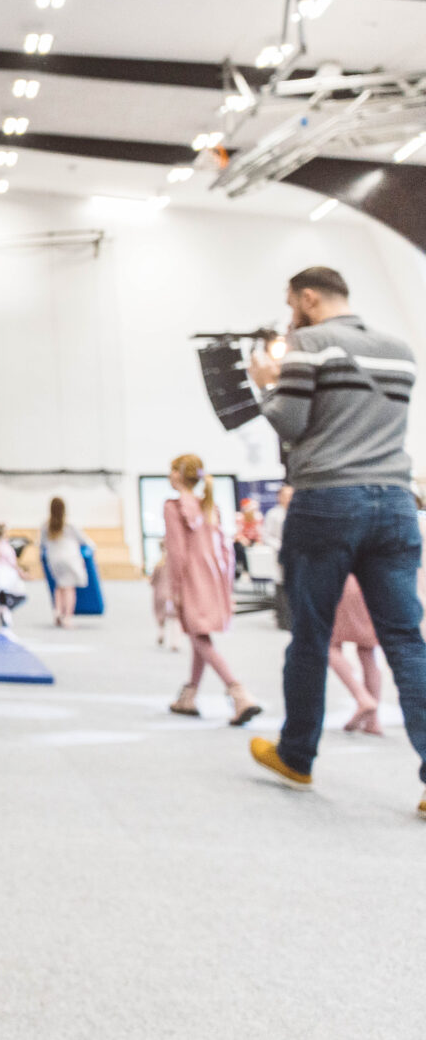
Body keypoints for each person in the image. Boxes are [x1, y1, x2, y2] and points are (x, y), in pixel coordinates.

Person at [247, 266, 426, 810]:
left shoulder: (311, 343)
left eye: (291, 304)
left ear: (308, 298)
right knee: (406, 640)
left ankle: (296, 757)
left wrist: (267, 382)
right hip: (396, 502)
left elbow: (291, 424)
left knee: (310, 635)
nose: (290, 316)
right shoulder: (400, 351)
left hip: (327, 501)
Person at [161, 455, 261, 723]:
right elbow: (226, 551)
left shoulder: (173, 507)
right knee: (200, 635)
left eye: (171, 470)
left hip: (191, 579)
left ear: (178, 475)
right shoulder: (210, 506)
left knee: (198, 636)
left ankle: (238, 692)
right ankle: (189, 695)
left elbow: (177, 553)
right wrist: (227, 587)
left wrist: (175, 590)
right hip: (214, 577)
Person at [329, 577, 384, 736]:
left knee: (330, 645)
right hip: (371, 584)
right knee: (368, 651)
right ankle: (373, 721)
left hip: (342, 582)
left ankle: (362, 698)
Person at [41, 497, 90, 630]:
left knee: (59, 586)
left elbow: (42, 544)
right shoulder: (70, 524)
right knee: (69, 588)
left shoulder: (46, 526)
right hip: (69, 558)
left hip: (54, 558)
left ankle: (57, 612)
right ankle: (67, 617)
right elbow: (84, 540)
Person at [234, 498, 264, 580]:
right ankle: (245, 569)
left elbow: (259, 533)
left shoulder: (257, 518)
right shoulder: (239, 518)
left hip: (252, 541)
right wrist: (242, 539)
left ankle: (258, 572)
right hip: (241, 542)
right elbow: (236, 533)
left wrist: (258, 542)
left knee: (259, 548)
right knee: (239, 548)